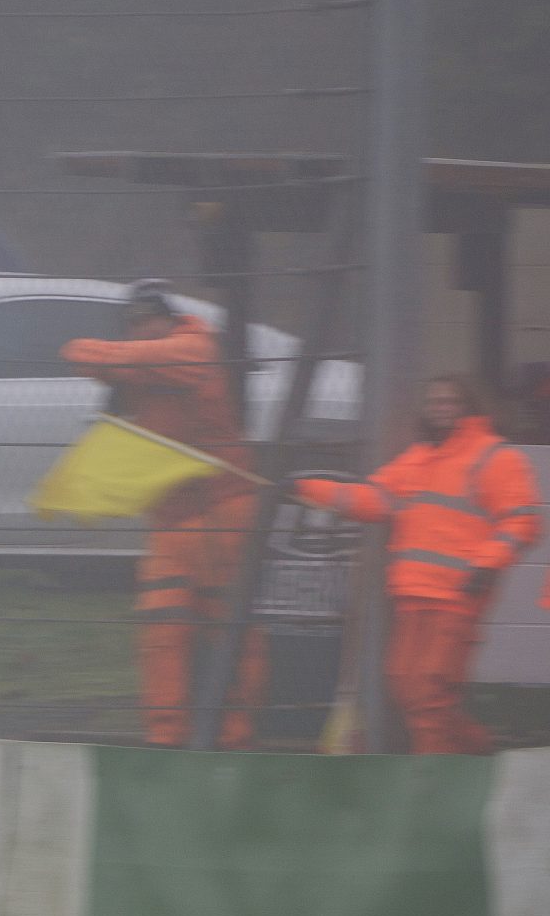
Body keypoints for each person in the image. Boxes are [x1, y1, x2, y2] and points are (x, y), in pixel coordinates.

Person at [61, 279, 266, 747]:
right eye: (133, 324)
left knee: (231, 634)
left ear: (167, 318)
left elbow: (86, 353)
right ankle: (166, 742)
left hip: (223, 513)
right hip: (172, 520)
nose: (139, 332)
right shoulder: (148, 361)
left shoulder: (194, 349)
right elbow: (84, 356)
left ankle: (236, 739)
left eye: (146, 321)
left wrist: (111, 361)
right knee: (162, 632)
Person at [293, 376, 540, 754]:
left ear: (468, 406)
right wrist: (305, 489)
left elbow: (522, 520)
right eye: (434, 401)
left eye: (449, 401)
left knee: (428, 689)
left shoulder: (495, 456)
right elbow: (371, 500)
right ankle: (479, 756)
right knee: (406, 686)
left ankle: (432, 771)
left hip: (458, 595)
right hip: (413, 594)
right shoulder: (417, 459)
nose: (440, 408)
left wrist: (487, 565)